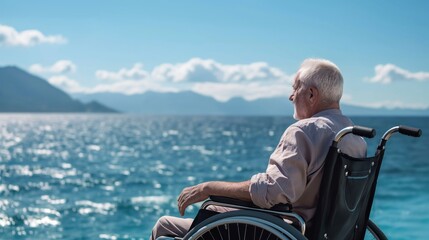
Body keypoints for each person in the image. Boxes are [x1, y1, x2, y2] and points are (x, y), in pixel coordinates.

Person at [150, 58, 367, 240]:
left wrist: (209, 187)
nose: (291, 96)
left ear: (311, 94)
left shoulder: (304, 131)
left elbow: (275, 191)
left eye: (295, 88)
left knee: (165, 225)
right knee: (218, 210)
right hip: (327, 233)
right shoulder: (355, 138)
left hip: (283, 232)